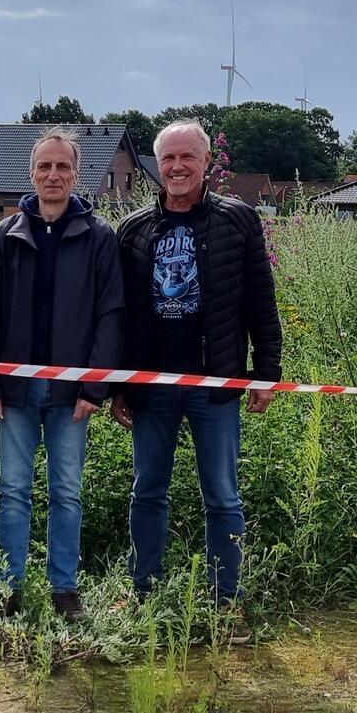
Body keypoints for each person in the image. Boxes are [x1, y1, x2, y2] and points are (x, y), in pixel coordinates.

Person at [111, 119, 283, 622]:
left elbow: (260, 300)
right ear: (157, 166)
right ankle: (142, 595)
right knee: (147, 490)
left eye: (188, 157)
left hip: (217, 383)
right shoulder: (135, 229)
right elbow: (121, 316)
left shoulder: (238, 221)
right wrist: (119, 384)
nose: (178, 167)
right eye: (169, 158)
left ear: (206, 162)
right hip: (152, 387)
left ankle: (225, 601)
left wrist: (265, 371)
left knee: (223, 495)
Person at [0, 128, 123, 621]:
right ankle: (6, 591)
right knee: (13, 491)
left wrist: (95, 386)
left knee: (66, 492)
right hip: (13, 390)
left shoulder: (98, 238)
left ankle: (64, 591)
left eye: (62, 167)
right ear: (31, 173)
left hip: (71, 393)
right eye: (44, 167)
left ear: (76, 175)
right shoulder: (6, 235)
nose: (52, 175)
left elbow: (110, 316)